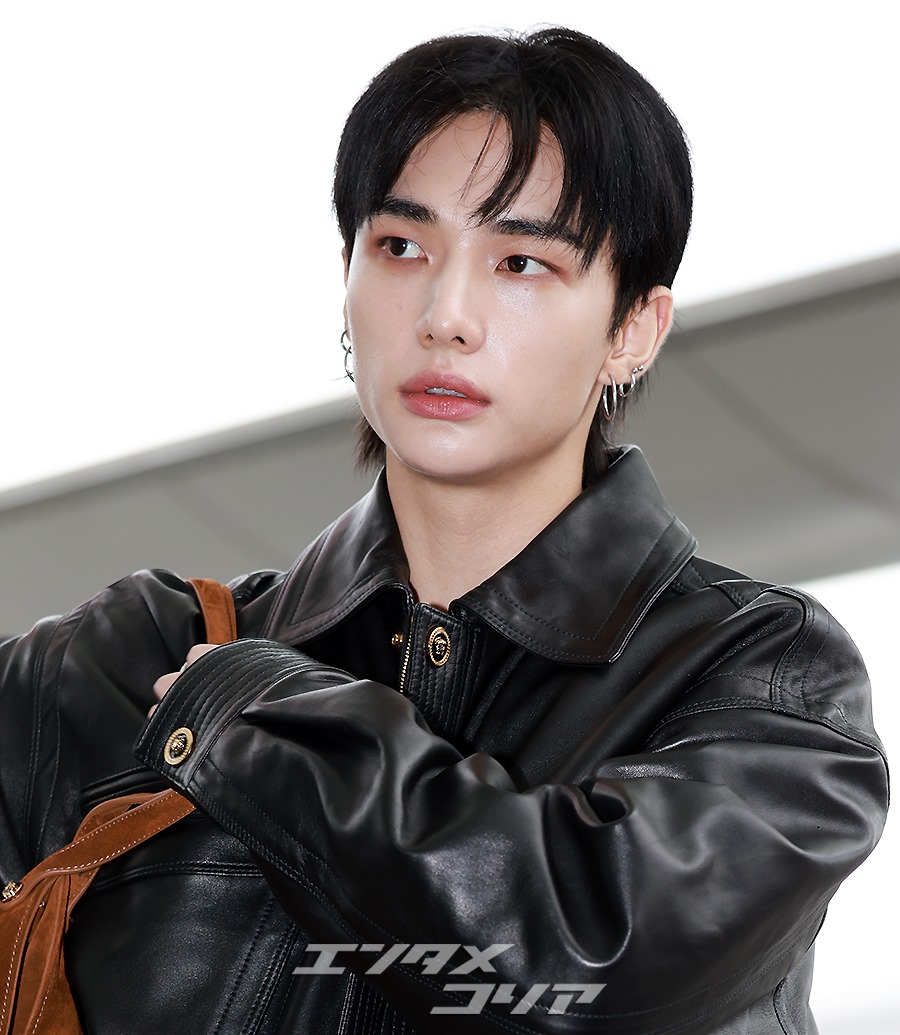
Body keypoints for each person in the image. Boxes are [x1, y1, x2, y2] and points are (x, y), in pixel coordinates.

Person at [0, 27, 888, 1035]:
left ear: (633, 330)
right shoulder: (127, 660)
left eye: (522, 261)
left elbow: (595, 961)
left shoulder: (761, 676)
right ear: (347, 277)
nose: (446, 314)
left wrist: (261, 723)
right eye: (401, 248)